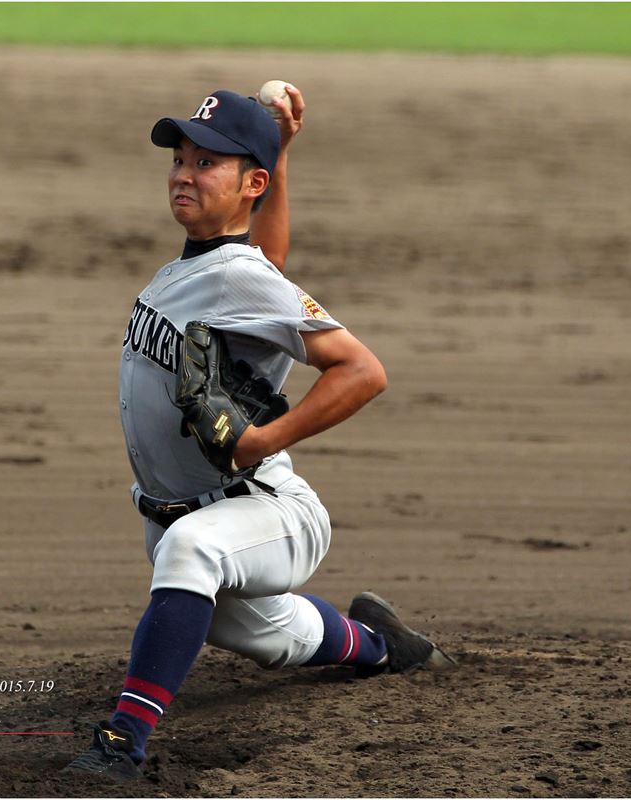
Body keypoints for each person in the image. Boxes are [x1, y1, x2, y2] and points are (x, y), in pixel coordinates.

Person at [63, 87, 455, 783]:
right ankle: (381, 646)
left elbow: (362, 370)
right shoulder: (206, 269)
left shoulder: (235, 276)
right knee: (279, 634)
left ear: (249, 183)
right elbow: (262, 267)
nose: (184, 173)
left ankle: (122, 743)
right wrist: (277, 155)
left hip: (265, 509)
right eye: (180, 158)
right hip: (192, 512)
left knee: (191, 551)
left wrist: (262, 437)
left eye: (206, 162)